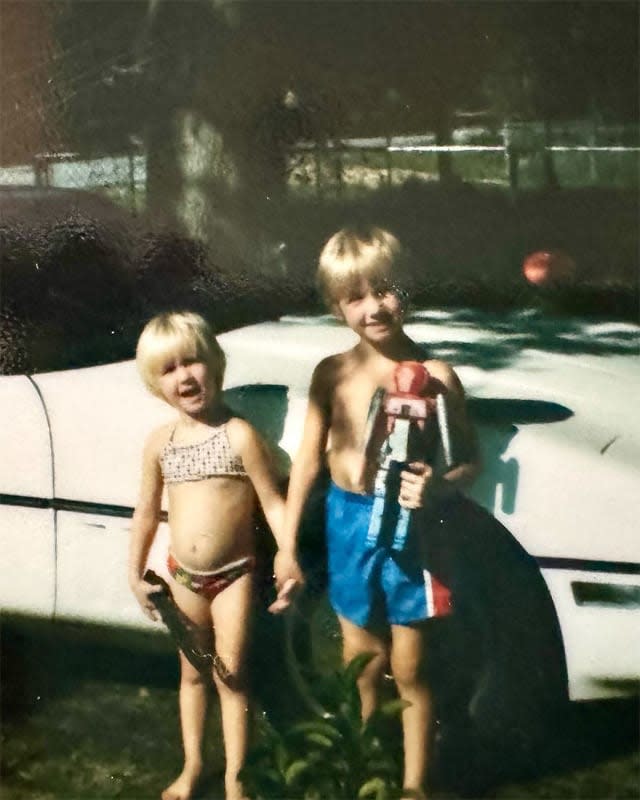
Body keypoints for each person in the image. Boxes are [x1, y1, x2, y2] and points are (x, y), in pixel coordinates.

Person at [278, 227, 481, 800]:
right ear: (335, 306)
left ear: (405, 289)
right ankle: (367, 768)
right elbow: (308, 466)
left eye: (385, 290)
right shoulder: (332, 374)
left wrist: (438, 486)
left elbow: (469, 460)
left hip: (412, 534)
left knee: (412, 667)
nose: (374, 307)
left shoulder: (436, 376)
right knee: (361, 664)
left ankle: (416, 782)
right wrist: (289, 545)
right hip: (348, 526)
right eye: (356, 297)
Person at [129, 311, 301, 800]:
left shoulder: (239, 435)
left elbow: (272, 502)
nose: (184, 376)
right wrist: (134, 572)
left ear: (215, 363)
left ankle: (235, 780)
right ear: (154, 383)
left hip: (234, 577)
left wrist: (288, 553)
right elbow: (146, 514)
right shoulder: (159, 444)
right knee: (191, 674)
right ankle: (193, 767)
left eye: (193, 362)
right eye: (169, 369)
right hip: (183, 579)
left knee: (233, 675)